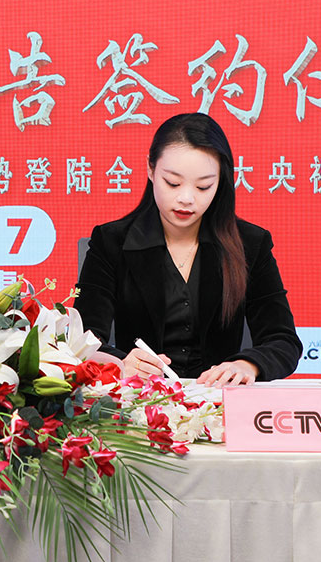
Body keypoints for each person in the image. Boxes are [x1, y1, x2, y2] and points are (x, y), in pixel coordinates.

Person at [73, 112, 300, 386]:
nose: (186, 198)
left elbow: (283, 340)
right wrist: (120, 363)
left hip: (219, 398)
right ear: (150, 169)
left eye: (204, 186)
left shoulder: (250, 243)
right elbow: (81, 339)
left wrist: (246, 365)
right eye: (173, 183)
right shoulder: (111, 242)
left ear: (221, 181)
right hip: (140, 399)